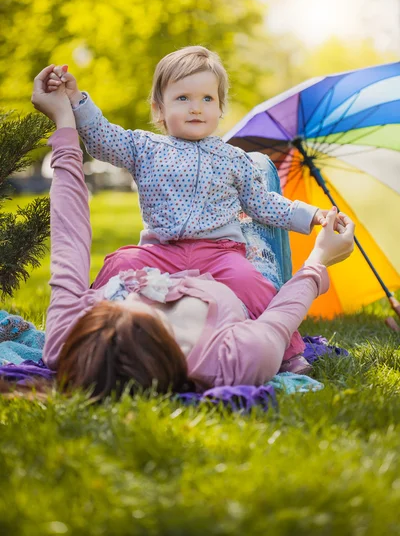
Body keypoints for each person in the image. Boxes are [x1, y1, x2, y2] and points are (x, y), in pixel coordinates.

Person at [31, 66, 355, 400]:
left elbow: (263, 203)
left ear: (219, 108)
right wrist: (76, 100)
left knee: (252, 282)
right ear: (159, 110)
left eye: (206, 98)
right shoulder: (144, 147)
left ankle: (289, 351)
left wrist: (312, 214)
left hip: (218, 250)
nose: (195, 107)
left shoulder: (234, 159)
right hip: (160, 248)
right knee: (119, 261)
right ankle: (100, 325)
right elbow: (101, 137)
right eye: (182, 98)